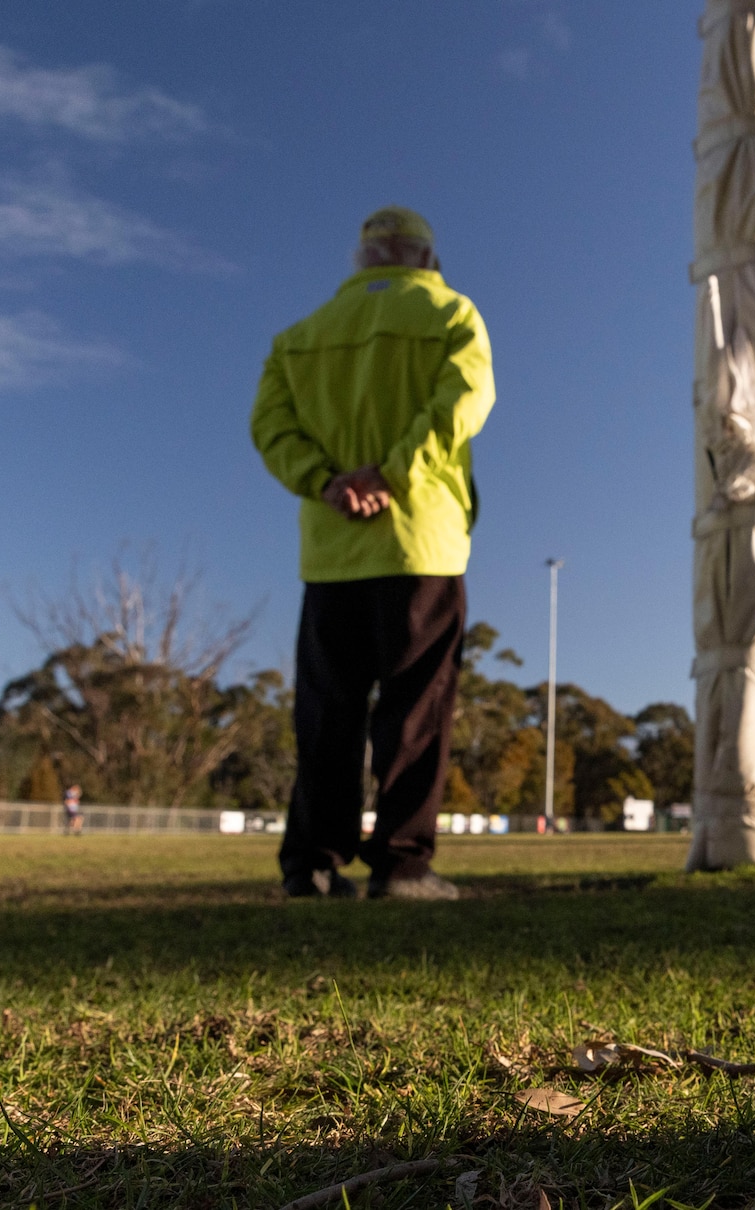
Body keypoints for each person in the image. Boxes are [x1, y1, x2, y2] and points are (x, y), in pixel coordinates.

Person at [250, 206, 494, 900]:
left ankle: (313, 865)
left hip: (330, 553)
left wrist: (327, 483)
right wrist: (393, 474)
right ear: (426, 259)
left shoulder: (298, 339)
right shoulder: (452, 315)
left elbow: (270, 427)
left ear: (361, 262)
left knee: (327, 713)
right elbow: (464, 403)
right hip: (423, 543)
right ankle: (401, 865)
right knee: (415, 710)